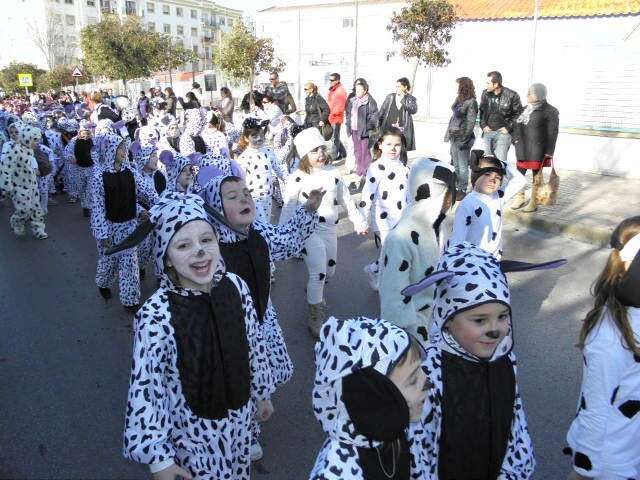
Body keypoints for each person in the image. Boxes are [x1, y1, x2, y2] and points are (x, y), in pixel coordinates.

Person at [117, 192, 275, 480]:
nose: (199, 251)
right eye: (183, 245)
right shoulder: (156, 314)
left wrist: (262, 393)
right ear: (166, 258)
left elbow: (254, 345)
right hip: (192, 437)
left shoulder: (236, 287)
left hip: (241, 420)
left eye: (206, 240)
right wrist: (159, 460)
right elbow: (147, 387)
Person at [404, 243, 559, 479]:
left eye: (502, 316)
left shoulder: (505, 360)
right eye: (479, 320)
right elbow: (419, 448)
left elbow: (514, 421)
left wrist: (514, 472)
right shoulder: (431, 372)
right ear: (447, 319)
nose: (495, 330)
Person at [201, 174, 321, 460]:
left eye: (246, 193)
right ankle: (245, 433)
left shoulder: (260, 233)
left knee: (259, 377)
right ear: (215, 207)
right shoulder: (209, 249)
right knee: (237, 382)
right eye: (232, 196)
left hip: (262, 321)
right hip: (229, 332)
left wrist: (308, 210)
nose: (244, 198)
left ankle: (254, 413)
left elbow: (289, 241)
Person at [309, 316, 430, 479]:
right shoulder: (335, 473)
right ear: (371, 399)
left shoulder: (396, 427)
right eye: (413, 380)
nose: (427, 381)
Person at [566, 217, 640, 480]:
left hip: (630, 446)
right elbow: (595, 408)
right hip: (610, 461)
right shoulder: (610, 336)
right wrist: (584, 470)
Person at [279, 128, 366, 336]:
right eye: (314, 151)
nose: (320, 154)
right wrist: (281, 236)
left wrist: (358, 220)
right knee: (318, 272)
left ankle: (314, 289)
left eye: (321, 149)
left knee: (329, 270)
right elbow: (288, 207)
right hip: (308, 232)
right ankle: (315, 315)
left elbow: (346, 199)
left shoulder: (333, 173)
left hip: (329, 229)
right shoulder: (297, 178)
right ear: (304, 155)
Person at [378, 157, 457, 342]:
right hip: (414, 326)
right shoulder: (401, 237)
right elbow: (392, 292)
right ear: (436, 195)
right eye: (448, 192)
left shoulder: (440, 226)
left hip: (438, 318)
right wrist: (402, 335)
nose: (451, 199)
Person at [90, 132, 157, 312]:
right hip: (109, 228)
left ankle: (130, 300)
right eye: (119, 148)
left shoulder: (131, 172)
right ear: (110, 150)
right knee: (109, 261)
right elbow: (98, 208)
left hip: (128, 226)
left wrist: (159, 205)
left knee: (129, 263)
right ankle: (103, 283)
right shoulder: (99, 177)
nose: (123, 151)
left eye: (124, 147)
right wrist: (103, 235)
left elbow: (145, 192)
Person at [357, 127, 410, 291]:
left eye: (397, 145)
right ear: (380, 145)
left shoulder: (405, 168)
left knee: (395, 253)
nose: (393, 148)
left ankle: (374, 270)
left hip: (402, 219)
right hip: (383, 220)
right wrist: (361, 221)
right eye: (389, 144)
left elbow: (409, 195)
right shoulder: (376, 168)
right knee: (391, 253)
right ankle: (391, 286)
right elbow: (367, 195)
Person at [450, 156, 526, 259]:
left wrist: (504, 164)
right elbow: (457, 240)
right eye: (487, 174)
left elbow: (520, 181)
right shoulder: (467, 204)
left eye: (498, 177)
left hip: (494, 260)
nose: (493, 180)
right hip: (474, 262)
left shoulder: (498, 197)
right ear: (475, 176)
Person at [511, 83, 559, 213]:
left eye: (530, 93)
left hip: (537, 150)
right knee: (518, 175)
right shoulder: (524, 109)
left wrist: (549, 152)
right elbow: (515, 125)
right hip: (522, 149)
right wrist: (514, 139)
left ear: (540, 94)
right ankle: (519, 197)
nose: (527, 95)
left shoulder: (550, 111)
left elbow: (553, 133)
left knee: (536, 177)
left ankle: (534, 202)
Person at [0, 121, 48, 239]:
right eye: (34, 140)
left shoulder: (28, 148)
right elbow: (5, 167)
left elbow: (32, 162)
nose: (36, 143)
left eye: (16, 132)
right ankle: (16, 221)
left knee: (36, 209)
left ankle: (39, 230)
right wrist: (7, 186)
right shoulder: (12, 148)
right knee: (24, 210)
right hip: (18, 185)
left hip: (32, 183)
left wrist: (36, 170)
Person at [236, 117, 288, 223]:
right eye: (254, 136)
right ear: (246, 138)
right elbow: (239, 181)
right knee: (261, 226)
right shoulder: (244, 158)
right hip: (253, 198)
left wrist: (291, 182)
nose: (259, 138)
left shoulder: (268, 151)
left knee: (266, 224)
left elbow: (280, 170)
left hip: (268, 198)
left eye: (261, 135)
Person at [445, 77, 479, 200]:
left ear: (463, 86)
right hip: (454, 136)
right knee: (456, 164)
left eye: (457, 85)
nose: (455, 87)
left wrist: (464, 139)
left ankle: (463, 189)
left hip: (463, 138)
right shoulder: (459, 100)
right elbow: (454, 118)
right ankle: (457, 186)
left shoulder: (471, 102)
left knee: (463, 166)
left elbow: (471, 123)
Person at [479, 71, 523, 163]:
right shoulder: (485, 94)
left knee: (500, 163)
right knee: (486, 163)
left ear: (496, 84)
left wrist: (508, 128)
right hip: (487, 132)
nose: (486, 85)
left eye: (488, 83)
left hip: (503, 134)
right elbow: (481, 111)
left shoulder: (512, 95)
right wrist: (483, 125)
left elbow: (519, 114)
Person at [377, 77, 418, 163]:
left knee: (402, 151)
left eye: (399, 86)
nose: (397, 88)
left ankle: (402, 167)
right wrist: (377, 125)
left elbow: (413, 110)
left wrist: (403, 99)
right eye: (396, 86)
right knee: (387, 150)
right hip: (388, 128)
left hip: (403, 130)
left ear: (405, 87)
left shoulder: (410, 99)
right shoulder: (390, 97)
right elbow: (382, 111)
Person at [345, 78, 379, 178]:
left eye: (360, 90)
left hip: (364, 131)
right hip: (354, 129)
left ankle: (366, 171)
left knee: (365, 152)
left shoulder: (370, 101)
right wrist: (348, 125)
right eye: (356, 90)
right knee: (357, 151)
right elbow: (348, 114)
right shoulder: (352, 101)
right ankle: (359, 170)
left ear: (365, 91)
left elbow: (374, 115)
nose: (357, 92)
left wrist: (368, 127)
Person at [327, 73, 347, 160]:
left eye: (332, 80)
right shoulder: (333, 90)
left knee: (334, 138)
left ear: (337, 80)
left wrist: (332, 113)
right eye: (330, 80)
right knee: (335, 137)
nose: (330, 82)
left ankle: (333, 156)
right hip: (331, 117)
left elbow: (341, 106)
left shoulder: (340, 91)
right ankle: (343, 153)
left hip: (336, 117)